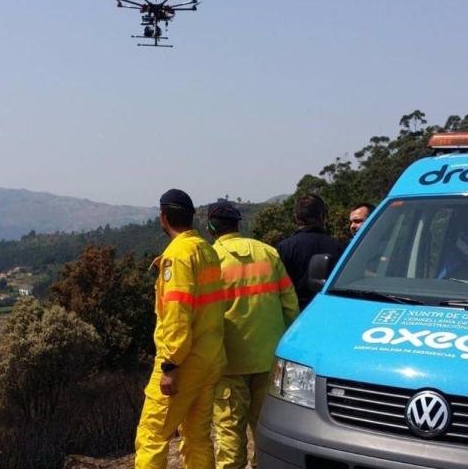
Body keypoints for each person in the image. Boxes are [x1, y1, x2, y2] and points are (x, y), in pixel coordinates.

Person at [135, 189, 227, 469]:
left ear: (163, 218)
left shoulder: (177, 256)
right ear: (192, 217)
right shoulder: (206, 250)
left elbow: (177, 314)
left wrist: (170, 365)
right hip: (210, 358)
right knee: (198, 437)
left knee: (152, 436)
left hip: (184, 362)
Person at [206, 200, 299, 469]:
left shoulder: (211, 260)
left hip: (228, 362)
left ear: (211, 227)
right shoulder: (268, 253)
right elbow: (290, 304)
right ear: (239, 224)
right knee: (265, 428)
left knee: (229, 430)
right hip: (270, 358)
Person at [275, 194, 343, 308]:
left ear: (296, 217)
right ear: (322, 216)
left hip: (296, 314)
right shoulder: (339, 247)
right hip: (331, 310)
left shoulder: (284, 248)